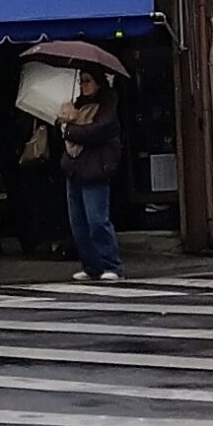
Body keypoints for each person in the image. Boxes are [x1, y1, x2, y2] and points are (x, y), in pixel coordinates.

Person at [57, 68, 125, 283]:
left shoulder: (107, 105)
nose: (83, 85)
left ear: (98, 82)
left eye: (87, 80)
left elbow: (96, 132)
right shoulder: (76, 104)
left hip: (96, 168)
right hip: (75, 168)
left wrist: (69, 130)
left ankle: (111, 264)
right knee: (78, 223)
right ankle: (91, 265)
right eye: (81, 81)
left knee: (97, 220)